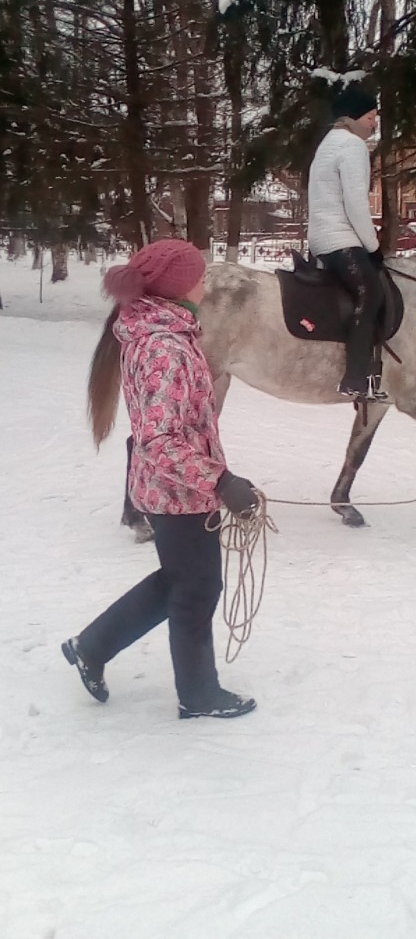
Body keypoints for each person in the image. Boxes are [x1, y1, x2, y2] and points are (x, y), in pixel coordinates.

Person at [62, 239, 260, 720]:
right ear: (175, 287)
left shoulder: (166, 332)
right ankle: (198, 694)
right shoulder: (163, 348)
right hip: (177, 492)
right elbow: (161, 439)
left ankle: (91, 646)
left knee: (180, 581)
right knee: (196, 590)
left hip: (173, 487)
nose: (205, 281)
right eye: (198, 275)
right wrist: (221, 481)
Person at [307, 84, 388, 402]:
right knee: (371, 294)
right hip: (340, 238)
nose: (374, 123)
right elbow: (356, 204)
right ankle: (355, 379)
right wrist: (372, 246)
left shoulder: (328, 143)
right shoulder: (352, 146)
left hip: (321, 238)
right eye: (371, 116)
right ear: (354, 117)